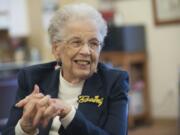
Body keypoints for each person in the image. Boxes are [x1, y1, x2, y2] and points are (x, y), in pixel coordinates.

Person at [2, 3, 129, 135]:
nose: (86, 51)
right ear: (56, 49)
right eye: (76, 42)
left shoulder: (114, 82)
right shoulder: (32, 78)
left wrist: (69, 114)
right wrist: (24, 128)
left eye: (94, 43)